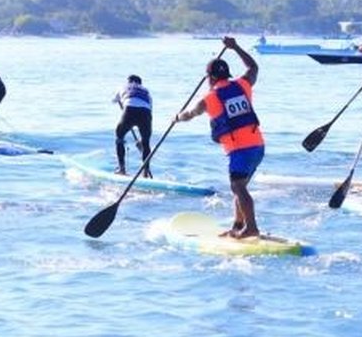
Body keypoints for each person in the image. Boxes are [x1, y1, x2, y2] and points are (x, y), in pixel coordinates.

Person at [175, 37, 264, 238]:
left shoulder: (209, 98)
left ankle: (251, 228)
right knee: (239, 188)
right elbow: (253, 67)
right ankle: (237, 225)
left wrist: (177, 118)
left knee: (238, 186)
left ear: (210, 78)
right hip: (258, 145)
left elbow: (190, 115)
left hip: (240, 150)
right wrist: (235, 47)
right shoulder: (242, 84)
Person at [112, 74, 154, 177]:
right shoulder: (146, 91)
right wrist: (142, 140)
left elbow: (115, 100)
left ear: (129, 82)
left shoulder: (123, 87)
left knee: (119, 136)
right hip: (146, 113)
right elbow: (150, 108)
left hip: (129, 110)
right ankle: (145, 173)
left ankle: (122, 169)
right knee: (146, 143)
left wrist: (128, 120)